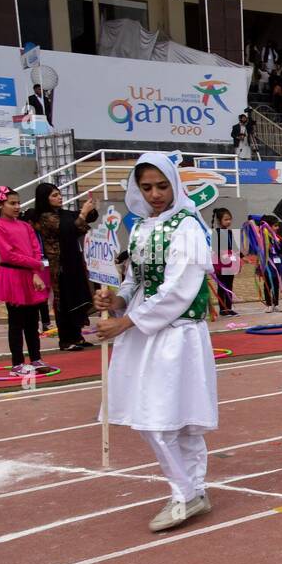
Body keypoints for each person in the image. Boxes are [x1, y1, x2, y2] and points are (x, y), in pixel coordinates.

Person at [92, 153, 218, 532]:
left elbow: (180, 290)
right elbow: (135, 282)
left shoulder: (189, 228)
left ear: (175, 184)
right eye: (147, 187)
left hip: (177, 334)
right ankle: (191, 490)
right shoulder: (143, 227)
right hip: (145, 335)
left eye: (162, 186)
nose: (155, 194)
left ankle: (187, 493)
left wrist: (126, 322)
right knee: (164, 419)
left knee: (167, 421)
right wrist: (114, 301)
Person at [0, 185, 50, 375]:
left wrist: (35, 271)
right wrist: (37, 265)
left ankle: (36, 358)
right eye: (11, 203)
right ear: (0, 204)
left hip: (29, 274)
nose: (17, 207)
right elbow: (9, 254)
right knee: (16, 321)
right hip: (12, 276)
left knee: (33, 320)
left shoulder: (25, 225)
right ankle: (17, 363)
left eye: (18, 203)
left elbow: (35, 249)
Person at [30, 183, 97, 351]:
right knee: (65, 301)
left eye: (59, 194)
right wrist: (83, 213)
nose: (59, 197)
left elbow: (84, 219)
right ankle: (66, 340)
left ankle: (77, 336)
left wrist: (90, 209)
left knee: (78, 296)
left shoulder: (63, 213)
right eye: (54, 195)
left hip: (74, 261)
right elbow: (69, 230)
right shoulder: (44, 217)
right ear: (44, 199)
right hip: (60, 266)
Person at [210, 207, 239, 316]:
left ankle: (229, 308)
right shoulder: (216, 233)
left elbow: (235, 247)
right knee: (222, 286)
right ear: (219, 220)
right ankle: (223, 309)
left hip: (230, 264)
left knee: (229, 285)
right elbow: (215, 249)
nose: (229, 222)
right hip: (221, 264)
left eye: (230, 219)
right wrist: (223, 255)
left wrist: (240, 256)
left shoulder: (231, 233)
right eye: (226, 219)